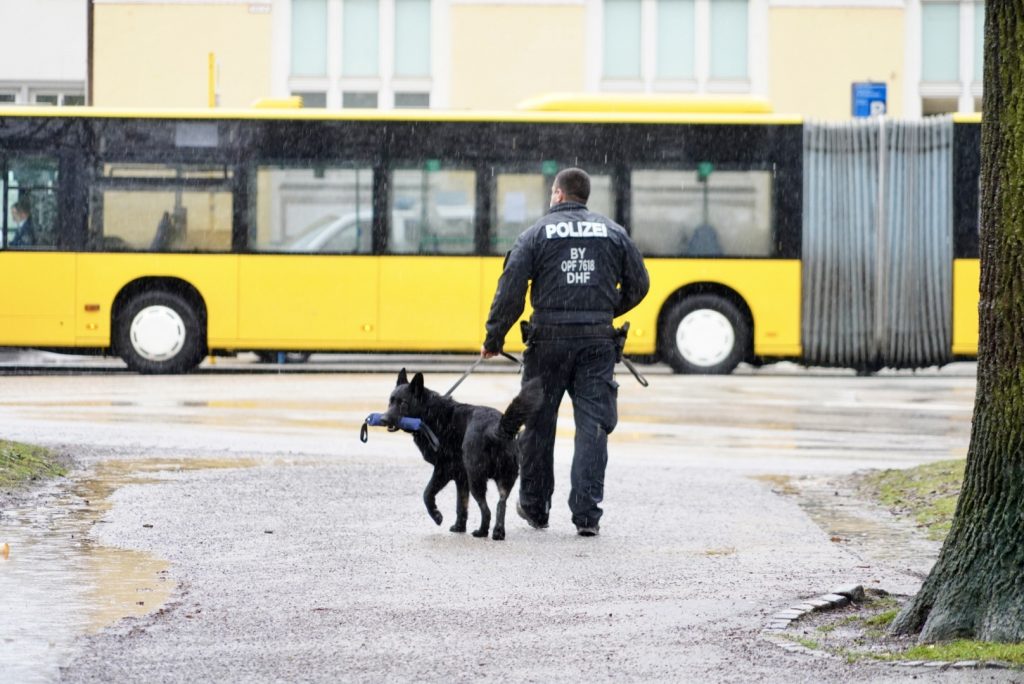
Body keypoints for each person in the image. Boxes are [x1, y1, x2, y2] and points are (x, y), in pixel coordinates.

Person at [481, 167, 649, 536]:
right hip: (597, 344)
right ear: (584, 196)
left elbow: (511, 290)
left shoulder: (536, 234)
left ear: (558, 194)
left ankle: (536, 508)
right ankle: (587, 516)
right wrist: (603, 311)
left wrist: (494, 338)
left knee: (539, 426)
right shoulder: (613, 232)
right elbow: (640, 284)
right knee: (593, 428)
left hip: (547, 344)